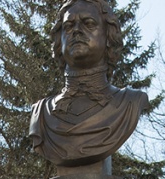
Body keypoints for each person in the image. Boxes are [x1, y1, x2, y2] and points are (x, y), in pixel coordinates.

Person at [29, 0, 149, 169]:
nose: (77, 30)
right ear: (59, 40)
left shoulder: (129, 103)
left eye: (89, 23)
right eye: (69, 26)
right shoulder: (41, 113)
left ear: (108, 36)